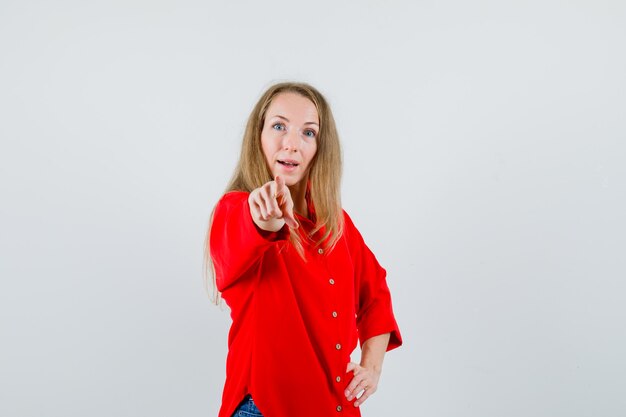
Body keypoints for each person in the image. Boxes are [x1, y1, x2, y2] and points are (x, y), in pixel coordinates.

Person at [205, 82, 402, 417]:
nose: (292, 143)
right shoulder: (234, 208)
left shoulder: (337, 224)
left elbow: (376, 293)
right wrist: (265, 214)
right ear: (259, 136)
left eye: (308, 132)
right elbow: (252, 224)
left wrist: (372, 367)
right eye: (279, 126)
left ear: (320, 147)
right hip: (265, 408)